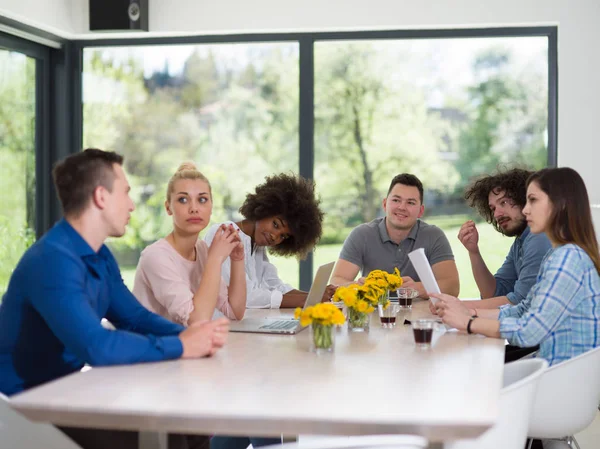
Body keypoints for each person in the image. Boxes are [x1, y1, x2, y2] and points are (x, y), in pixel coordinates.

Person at [0, 149, 228, 449]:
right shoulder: (53, 260)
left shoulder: (100, 255)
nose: (132, 205)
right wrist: (183, 345)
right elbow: (98, 347)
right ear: (101, 197)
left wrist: (194, 335)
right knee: (169, 438)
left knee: (190, 425)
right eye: (126, 193)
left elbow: (134, 318)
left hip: (67, 390)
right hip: (25, 408)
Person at [433, 167, 600, 367]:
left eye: (533, 200)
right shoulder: (555, 254)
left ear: (560, 205)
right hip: (552, 369)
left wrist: (469, 322)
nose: (526, 209)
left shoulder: (567, 259)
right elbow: (523, 309)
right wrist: (468, 312)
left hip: (561, 379)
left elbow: (529, 330)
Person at [133, 162, 246, 324]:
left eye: (202, 199)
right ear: (168, 207)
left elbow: (235, 311)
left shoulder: (201, 250)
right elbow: (196, 320)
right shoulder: (155, 257)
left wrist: (237, 259)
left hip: (182, 345)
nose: (194, 208)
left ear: (211, 207)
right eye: (183, 199)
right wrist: (215, 258)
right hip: (150, 346)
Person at [204, 173, 331, 309]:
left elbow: (275, 286)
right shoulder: (224, 233)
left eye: (283, 236)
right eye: (276, 224)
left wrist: (316, 295)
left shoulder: (257, 246)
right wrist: (307, 301)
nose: (275, 237)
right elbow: (246, 297)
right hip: (216, 325)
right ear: (264, 210)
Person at [331, 173, 459, 298]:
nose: (402, 207)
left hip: (421, 315)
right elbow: (336, 281)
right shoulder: (361, 234)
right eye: (396, 200)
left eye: (411, 202)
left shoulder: (434, 236)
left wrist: (419, 288)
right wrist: (358, 287)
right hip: (373, 314)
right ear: (385, 204)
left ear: (420, 211)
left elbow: (452, 287)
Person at [456, 168, 551, 309]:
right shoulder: (521, 241)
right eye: (493, 208)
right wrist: (473, 251)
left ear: (524, 199)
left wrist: (459, 306)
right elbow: (493, 293)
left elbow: (519, 302)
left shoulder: (539, 237)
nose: (497, 214)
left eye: (504, 203)